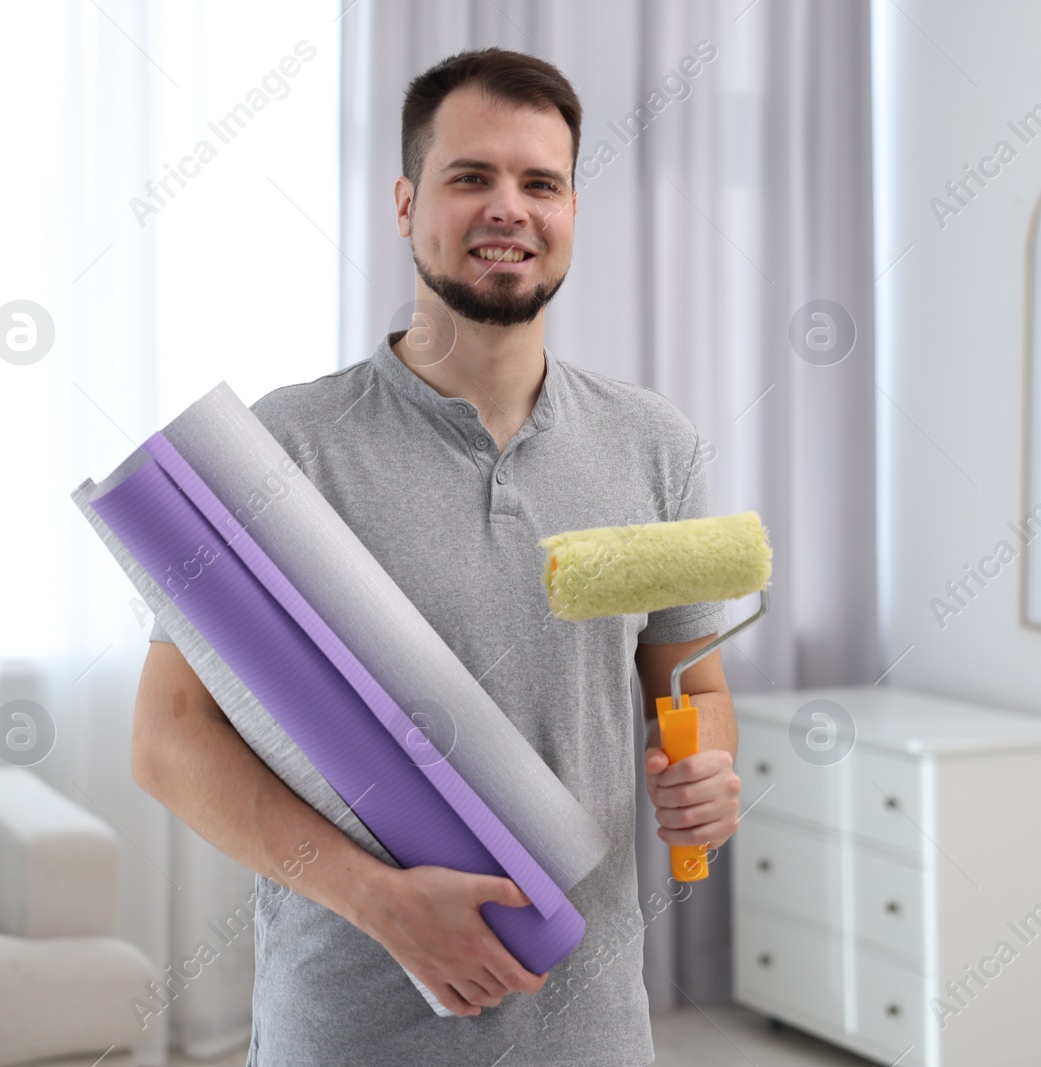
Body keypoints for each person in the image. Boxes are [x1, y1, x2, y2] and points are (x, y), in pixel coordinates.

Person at [130, 45, 742, 1066]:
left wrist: (707, 767)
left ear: (571, 214)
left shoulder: (655, 444)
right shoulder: (286, 447)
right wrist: (377, 899)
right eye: (471, 177)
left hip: (589, 1026)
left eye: (540, 182)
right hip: (351, 1023)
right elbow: (168, 740)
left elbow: (693, 682)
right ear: (408, 204)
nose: (509, 206)